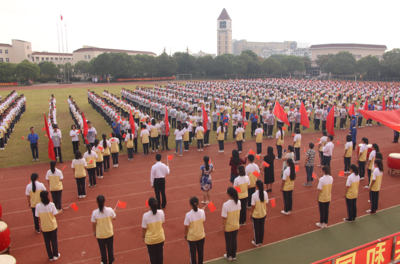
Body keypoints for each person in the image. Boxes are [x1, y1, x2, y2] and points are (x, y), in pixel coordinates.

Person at [35, 191, 62, 261]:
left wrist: (40, 226)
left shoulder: (37, 206)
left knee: (47, 242)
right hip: (52, 226)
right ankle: (55, 255)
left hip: (44, 227)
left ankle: (50, 256)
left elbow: (37, 217)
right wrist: (61, 211)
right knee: (54, 241)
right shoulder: (51, 205)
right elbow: (55, 214)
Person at [91, 195, 116, 264]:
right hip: (109, 233)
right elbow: (114, 218)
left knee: (102, 249)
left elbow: (94, 224)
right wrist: (113, 212)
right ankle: (111, 261)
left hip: (100, 234)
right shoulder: (110, 210)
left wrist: (94, 232)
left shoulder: (94, 212)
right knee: (110, 248)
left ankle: (104, 261)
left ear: (97, 202)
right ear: (104, 201)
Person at [142, 197, 165, 264]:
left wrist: (143, 237)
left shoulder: (145, 215)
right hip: (160, 238)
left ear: (149, 205)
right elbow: (162, 221)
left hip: (150, 240)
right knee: (160, 254)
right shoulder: (161, 212)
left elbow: (144, 228)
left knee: (152, 255)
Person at [184, 196, 206, 264]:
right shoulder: (202, 212)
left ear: (190, 204)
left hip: (192, 237)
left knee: (192, 254)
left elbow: (186, 227)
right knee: (200, 252)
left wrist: (185, 236)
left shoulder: (188, 215)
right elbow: (203, 221)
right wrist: (202, 211)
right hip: (201, 235)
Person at [222, 187, 241, 261]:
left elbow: (224, 217)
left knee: (228, 241)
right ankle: (234, 255)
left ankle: (229, 255)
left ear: (228, 194)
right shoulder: (238, 202)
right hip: (236, 225)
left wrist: (223, 227)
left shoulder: (226, 204)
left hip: (229, 226)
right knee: (234, 240)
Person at [250, 180, 268, 247]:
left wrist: (250, 214)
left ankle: (256, 241)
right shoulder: (265, 193)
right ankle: (260, 241)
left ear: (256, 186)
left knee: (256, 229)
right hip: (263, 213)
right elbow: (266, 203)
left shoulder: (254, 195)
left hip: (256, 214)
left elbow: (253, 206)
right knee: (261, 227)